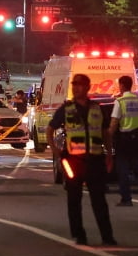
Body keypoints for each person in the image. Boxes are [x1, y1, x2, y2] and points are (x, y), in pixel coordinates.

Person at [47, 73, 116, 246]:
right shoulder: (66, 108)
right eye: (74, 84)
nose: (75, 87)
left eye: (79, 84)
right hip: (73, 161)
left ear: (87, 87)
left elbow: (105, 133)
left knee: (99, 200)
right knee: (74, 199)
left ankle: (107, 236)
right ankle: (79, 235)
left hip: (95, 159)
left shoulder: (96, 108)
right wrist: (55, 150)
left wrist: (108, 154)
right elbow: (50, 129)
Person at [107, 74, 138, 207]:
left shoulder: (120, 102)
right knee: (137, 168)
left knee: (123, 170)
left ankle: (126, 199)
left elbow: (114, 122)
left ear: (121, 85)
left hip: (124, 139)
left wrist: (108, 136)